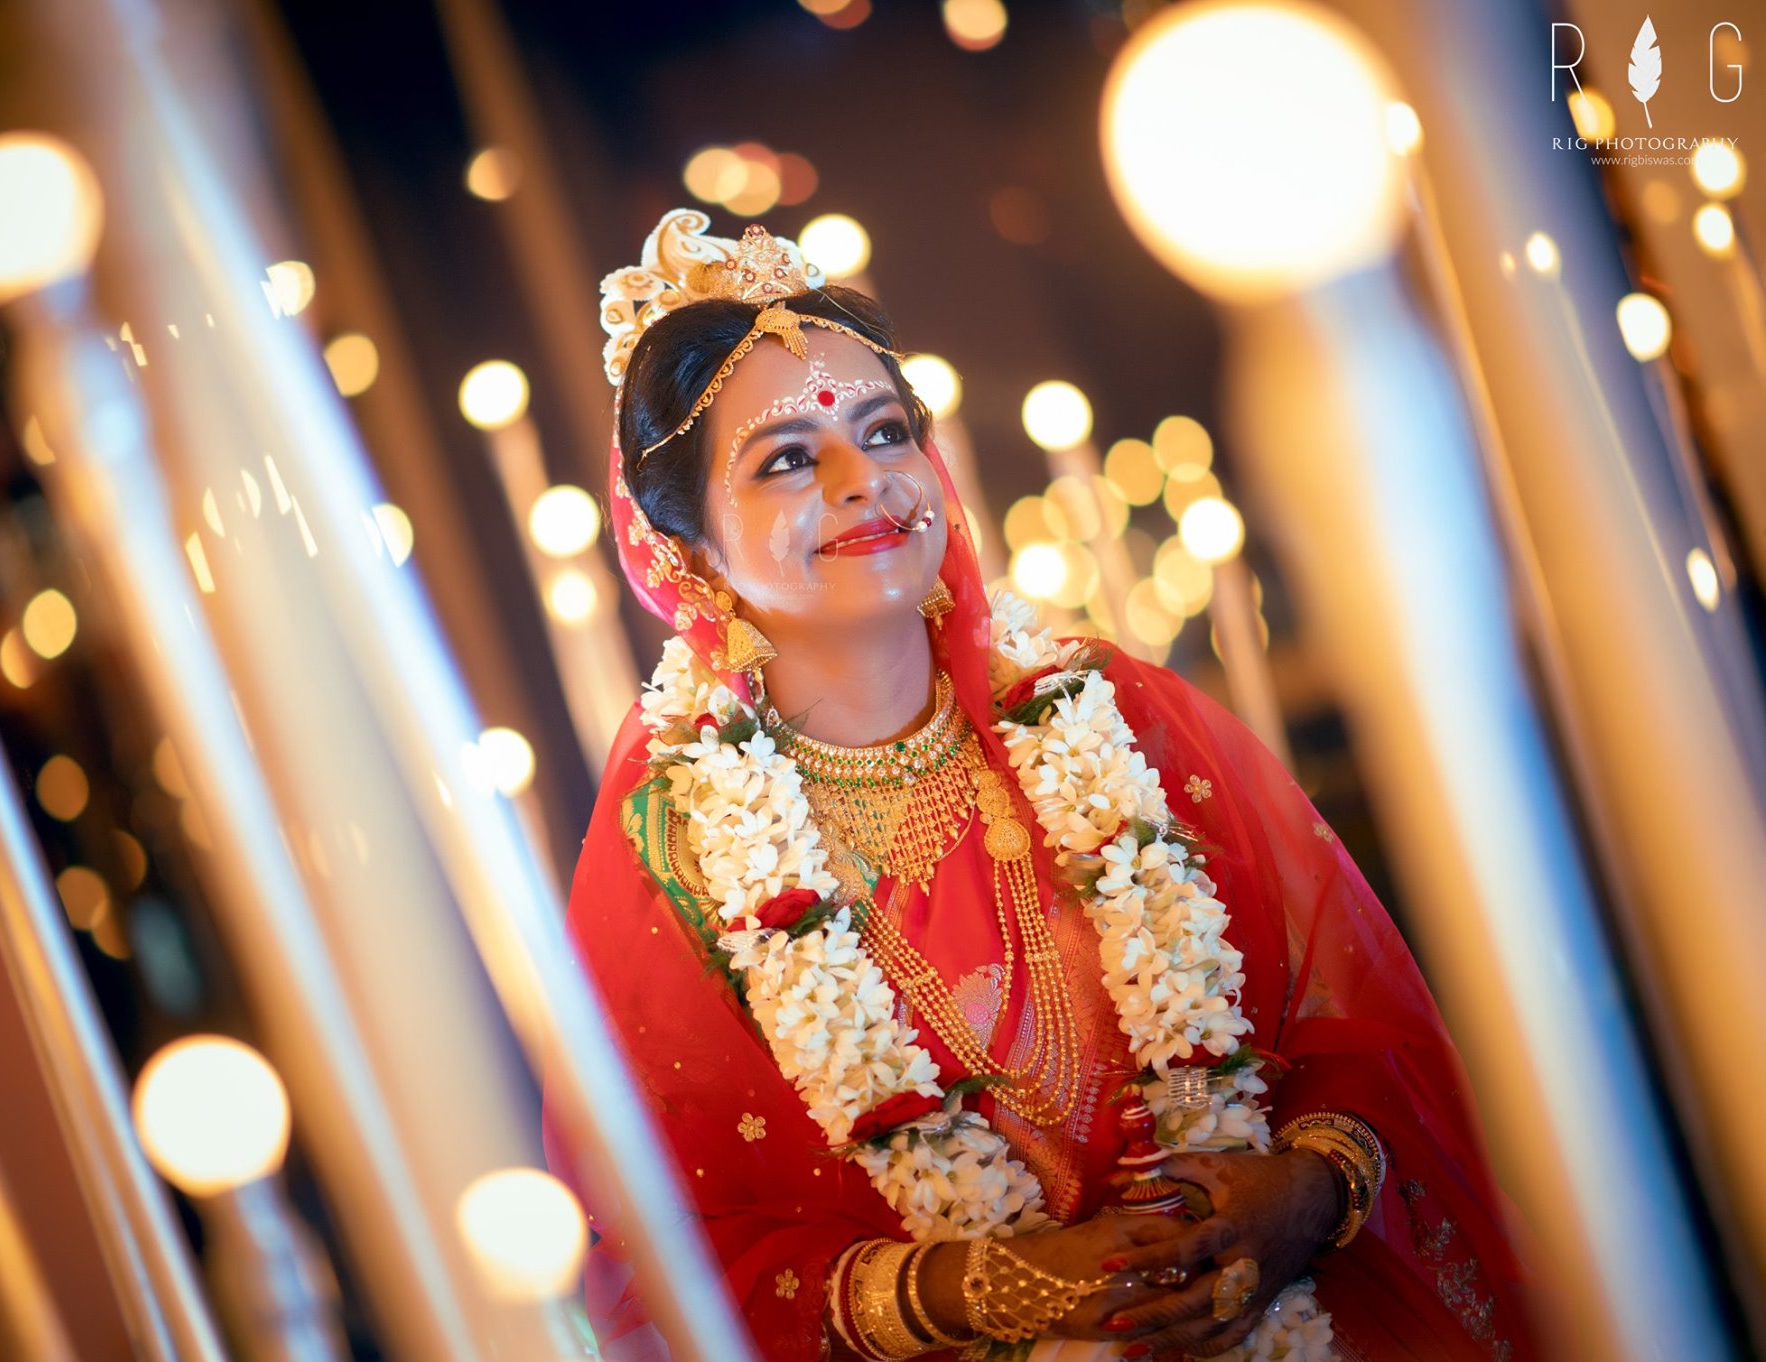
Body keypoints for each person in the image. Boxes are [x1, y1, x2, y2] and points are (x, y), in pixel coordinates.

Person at [548, 208, 1535, 1361]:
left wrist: (1306, 1192)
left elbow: (1355, 1031)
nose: (864, 481)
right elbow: (658, 1257)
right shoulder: (679, 851)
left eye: (885, 431)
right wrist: (968, 1289)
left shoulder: (1118, 717)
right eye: (784, 460)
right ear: (685, 549)